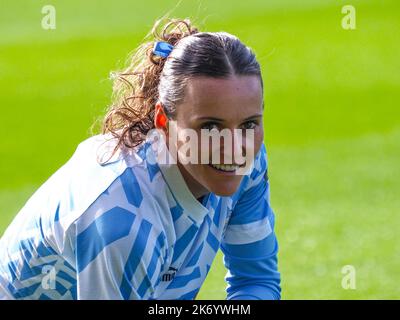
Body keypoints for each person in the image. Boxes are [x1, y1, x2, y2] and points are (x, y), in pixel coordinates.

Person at [0, 18, 281, 300]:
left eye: (249, 124)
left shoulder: (246, 161)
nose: (234, 148)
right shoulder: (122, 216)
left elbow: (256, 280)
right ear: (164, 121)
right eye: (210, 127)